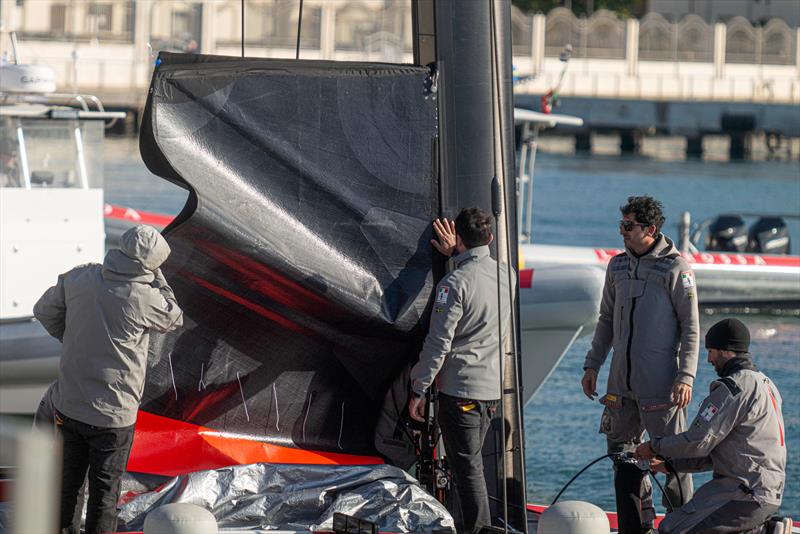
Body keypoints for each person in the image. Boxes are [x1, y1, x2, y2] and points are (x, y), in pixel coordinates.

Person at [34, 224, 184, 534]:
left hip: (69, 406)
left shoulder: (80, 277)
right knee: (105, 494)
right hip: (113, 418)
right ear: (153, 263)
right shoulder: (146, 297)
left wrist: (71, 339)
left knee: (68, 485)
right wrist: (158, 277)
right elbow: (175, 316)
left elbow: (43, 310)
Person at [580, 195, 699, 534]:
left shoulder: (676, 268)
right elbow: (605, 320)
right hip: (621, 386)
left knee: (673, 464)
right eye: (621, 225)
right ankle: (636, 528)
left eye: (628, 226)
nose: (622, 232)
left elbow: (691, 327)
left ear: (650, 229)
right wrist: (592, 366)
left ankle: (682, 526)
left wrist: (686, 376)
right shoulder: (616, 266)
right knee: (623, 460)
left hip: (662, 387)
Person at [408, 207, 510, 534]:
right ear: (490, 239)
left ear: (460, 240)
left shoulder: (454, 283)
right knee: (470, 466)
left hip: (460, 391)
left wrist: (418, 389)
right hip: (491, 392)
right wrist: (457, 254)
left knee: (467, 469)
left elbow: (438, 343)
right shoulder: (506, 276)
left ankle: (477, 530)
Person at [635, 319, 788, 534]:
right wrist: (668, 466)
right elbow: (719, 453)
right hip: (766, 492)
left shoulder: (733, 388)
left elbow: (697, 442)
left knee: (672, 528)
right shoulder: (766, 385)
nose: (708, 359)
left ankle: (763, 531)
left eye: (711, 351)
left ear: (726, 351)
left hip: (744, 492)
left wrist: (653, 446)